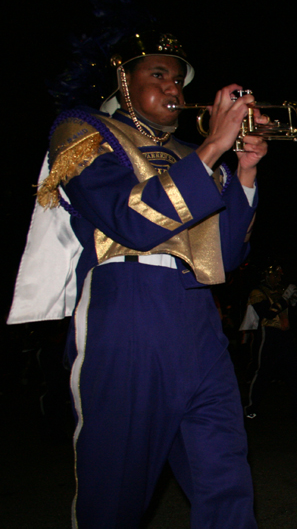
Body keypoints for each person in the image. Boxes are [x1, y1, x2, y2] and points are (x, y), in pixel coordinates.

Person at [11, 31, 266, 528]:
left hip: (197, 316)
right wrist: (214, 146)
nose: (174, 87)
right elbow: (131, 221)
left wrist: (246, 170)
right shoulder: (83, 130)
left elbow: (227, 254)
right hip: (125, 313)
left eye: (177, 77)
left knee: (226, 482)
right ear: (122, 82)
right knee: (115, 497)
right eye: (158, 75)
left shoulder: (196, 153)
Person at [243, 265, 297, 420]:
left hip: (284, 335)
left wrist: (294, 303)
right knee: (263, 372)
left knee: (294, 372)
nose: (278, 279)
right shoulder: (258, 292)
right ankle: (251, 408)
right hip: (268, 334)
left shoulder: (279, 291)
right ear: (266, 276)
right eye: (275, 276)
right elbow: (267, 313)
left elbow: (294, 317)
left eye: (279, 276)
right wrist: (284, 299)